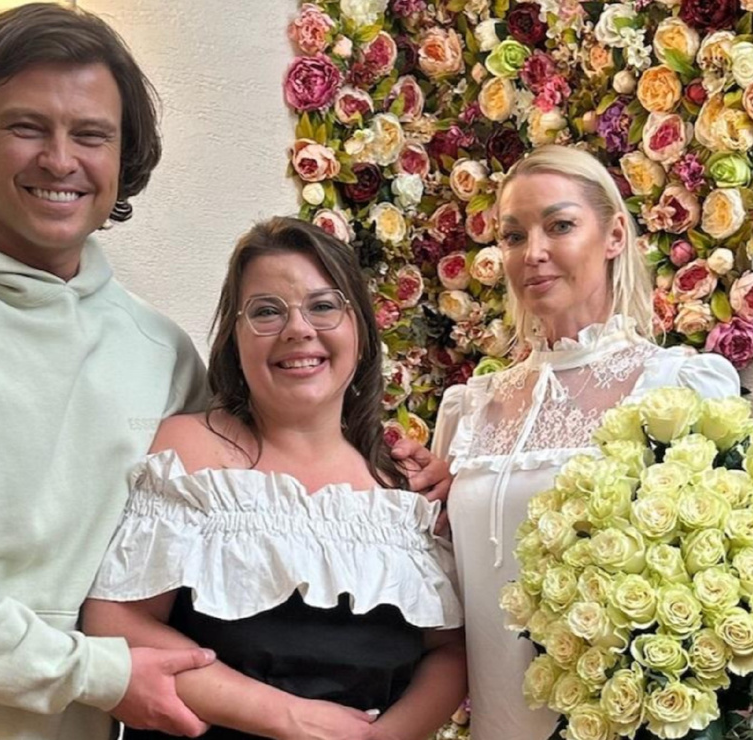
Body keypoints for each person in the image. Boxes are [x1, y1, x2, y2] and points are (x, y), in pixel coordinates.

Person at [0, 6, 449, 738]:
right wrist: (93, 672)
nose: (59, 160)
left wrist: (408, 470)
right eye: (27, 127)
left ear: (125, 152)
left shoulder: (158, 351)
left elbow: (266, 470)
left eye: (91, 134)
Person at [81, 217, 467, 740]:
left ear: (360, 330)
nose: (298, 329)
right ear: (235, 340)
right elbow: (116, 624)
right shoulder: (190, 453)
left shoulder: (405, 485)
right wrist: (290, 719)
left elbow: (448, 650)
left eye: (323, 306)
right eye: (266, 311)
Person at [431, 145, 742, 737]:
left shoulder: (676, 387)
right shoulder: (470, 408)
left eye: (560, 226)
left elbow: (720, 583)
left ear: (614, 235)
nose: (533, 252)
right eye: (514, 236)